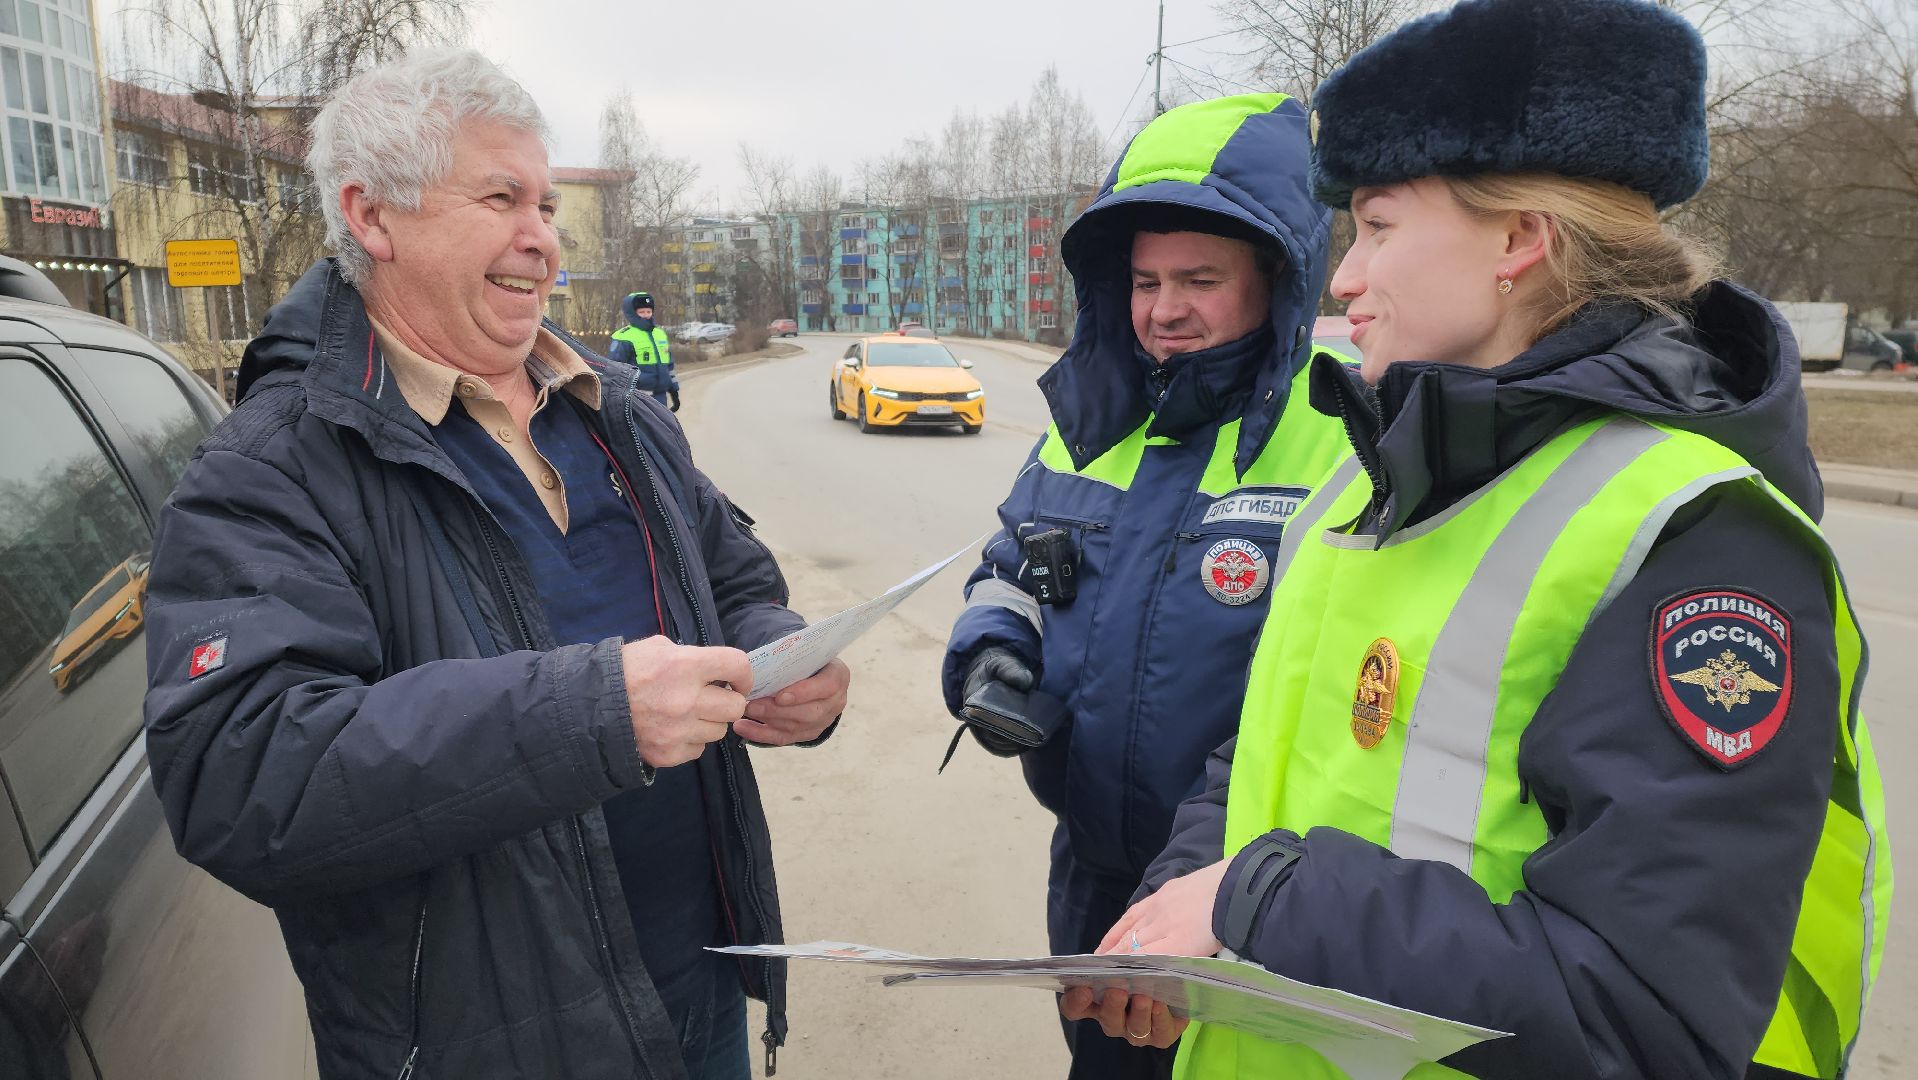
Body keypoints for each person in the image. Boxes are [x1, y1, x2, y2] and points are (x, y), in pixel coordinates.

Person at [1065, 2, 1892, 1077]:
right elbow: (1264, 749)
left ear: (1518, 239)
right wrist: (1178, 908)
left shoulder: (1692, 539)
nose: (1344, 280)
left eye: (1377, 225)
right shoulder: (1380, 481)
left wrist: (1255, 900)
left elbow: (1640, 1022)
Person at [140, 50, 850, 1080]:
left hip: (695, 994)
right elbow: (243, 776)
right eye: (501, 198)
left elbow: (732, 580)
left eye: (549, 205)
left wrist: (786, 658)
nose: (542, 240)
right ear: (373, 218)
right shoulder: (273, 467)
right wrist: (592, 713)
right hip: (489, 1051)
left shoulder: (618, 417)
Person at [940, 94, 1352, 1079]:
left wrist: (1218, 880)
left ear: (1278, 280)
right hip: (1090, 872)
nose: (1164, 309)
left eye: (1200, 279)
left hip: (1241, 896)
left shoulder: (1345, 434)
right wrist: (996, 654)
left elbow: (1328, 694)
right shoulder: (1091, 422)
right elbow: (1011, 571)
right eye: (1143, 280)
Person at [611, 289, 679, 410]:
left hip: (660, 396)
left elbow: (669, 366)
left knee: (661, 428)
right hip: (637, 398)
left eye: (649, 311)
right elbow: (615, 370)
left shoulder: (660, 334)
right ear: (632, 313)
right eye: (641, 312)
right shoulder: (623, 336)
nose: (646, 315)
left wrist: (674, 392)